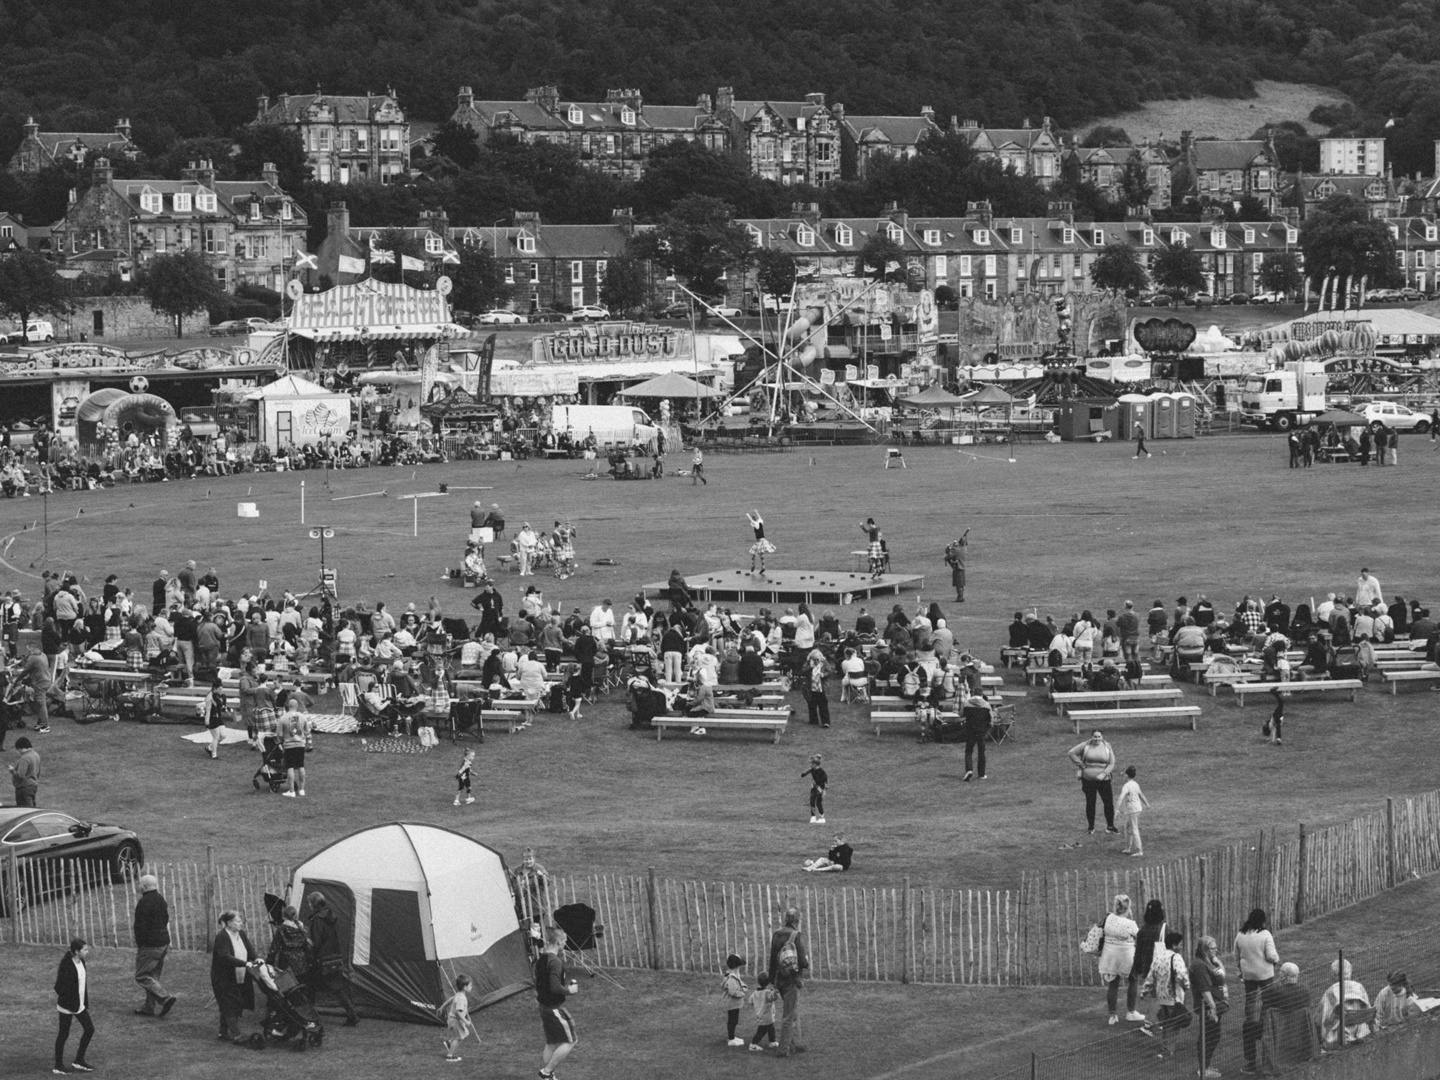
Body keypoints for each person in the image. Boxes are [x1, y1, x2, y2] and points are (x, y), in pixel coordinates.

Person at [1235, 907, 1281, 1073]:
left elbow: (1237, 954)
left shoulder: (1241, 934)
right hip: (1264, 973)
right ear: (1262, 920)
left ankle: (1250, 1019)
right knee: (1267, 999)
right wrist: (1276, 960)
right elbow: (1271, 955)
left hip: (1249, 974)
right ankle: (1265, 1019)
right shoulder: (1265, 934)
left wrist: (1240, 969)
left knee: (1251, 999)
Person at [304, 893, 358, 1026]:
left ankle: (309, 1017)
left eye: (310, 903)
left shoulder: (317, 920)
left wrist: (306, 939)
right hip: (334, 957)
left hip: (322, 960)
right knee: (337, 988)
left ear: (314, 904)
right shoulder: (330, 916)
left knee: (310, 986)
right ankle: (352, 1015)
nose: (309, 906)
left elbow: (316, 942)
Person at [534, 925, 578, 1080]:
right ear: (558, 942)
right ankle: (546, 1072)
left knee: (552, 1043)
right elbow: (554, 987)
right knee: (571, 1040)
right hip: (553, 1008)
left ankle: (549, 1075)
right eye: (564, 941)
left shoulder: (541, 960)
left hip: (543, 1006)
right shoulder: (555, 962)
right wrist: (569, 991)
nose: (565, 944)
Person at [1259, 961, 1318, 1071]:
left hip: (1278, 1031)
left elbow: (1265, 1014)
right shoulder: (1305, 991)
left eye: (1280, 972)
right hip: (1299, 1032)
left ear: (1283, 976)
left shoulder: (1272, 991)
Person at [132, 875, 177, 1019]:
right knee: (153, 977)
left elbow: (140, 927)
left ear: (144, 886)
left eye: (140, 884)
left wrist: (141, 944)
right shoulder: (161, 899)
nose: (138, 886)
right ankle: (148, 1007)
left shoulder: (144, 902)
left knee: (142, 976)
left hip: (150, 945)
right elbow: (165, 919)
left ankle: (165, 998)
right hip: (163, 942)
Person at [210, 910, 258, 1043]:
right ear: (229, 923)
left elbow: (250, 950)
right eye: (237, 921)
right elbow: (225, 957)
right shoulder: (222, 937)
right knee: (229, 1004)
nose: (241, 923)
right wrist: (244, 963)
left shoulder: (241, 934)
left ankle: (223, 1032)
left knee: (234, 1003)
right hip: (224, 977)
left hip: (240, 975)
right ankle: (237, 1035)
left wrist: (256, 959)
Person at [767, 907, 809, 1057]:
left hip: (779, 979)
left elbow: (772, 959)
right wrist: (807, 961)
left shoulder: (776, 934)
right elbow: (803, 962)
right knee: (789, 1015)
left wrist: (772, 981)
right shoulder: (796, 935)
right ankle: (783, 1049)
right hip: (791, 980)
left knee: (793, 1012)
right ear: (797, 921)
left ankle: (795, 1044)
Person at [1141, 929, 1189, 1060]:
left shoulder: (1158, 957)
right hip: (1174, 996)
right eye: (1179, 944)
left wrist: (1144, 991)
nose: (1181, 946)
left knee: (1166, 1022)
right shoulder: (1176, 957)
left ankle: (1165, 1048)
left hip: (1161, 996)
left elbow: (1150, 977)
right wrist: (1186, 986)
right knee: (1175, 1023)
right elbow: (1181, 975)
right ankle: (1168, 1050)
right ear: (1174, 945)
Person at [54, 937, 97, 1074]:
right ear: (77, 951)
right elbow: (59, 987)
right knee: (63, 1034)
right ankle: (58, 1066)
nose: (87, 952)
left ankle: (79, 1060)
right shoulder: (66, 964)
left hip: (79, 1005)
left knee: (89, 1029)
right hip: (67, 1006)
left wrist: (82, 1002)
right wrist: (69, 1000)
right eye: (85, 950)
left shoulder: (82, 961)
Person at [1096, 893, 1140, 1025]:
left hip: (1110, 956)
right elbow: (1139, 937)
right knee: (1133, 980)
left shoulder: (1108, 918)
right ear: (1128, 908)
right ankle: (1131, 1012)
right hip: (1127, 956)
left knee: (1113, 984)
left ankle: (1112, 1015)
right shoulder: (1130, 924)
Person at [1190, 935, 1229, 1078]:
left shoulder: (1209, 962)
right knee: (1208, 1037)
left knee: (1214, 1035)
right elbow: (1204, 989)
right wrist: (1212, 1008)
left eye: (1216, 947)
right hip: (1206, 1007)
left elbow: (1222, 976)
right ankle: (1203, 1069)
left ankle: (1206, 1066)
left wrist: (1217, 961)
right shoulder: (1199, 965)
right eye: (1213, 948)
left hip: (1217, 1004)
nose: (1216, 950)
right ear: (1204, 949)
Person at [1067, 730, 1118, 834]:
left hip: (1104, 781)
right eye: (1095, 736)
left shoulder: (1107, 746)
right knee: (1090, 803)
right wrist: (1080, 764)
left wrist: (1104, 774)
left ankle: (1110, 826)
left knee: (1108, 803)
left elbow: (1112, 763)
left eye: (1099, 736)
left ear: (1102, 737)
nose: (1097, 738)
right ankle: (1091, 827)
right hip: (1088, 780)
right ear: (1091, 737)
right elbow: (1071, 753)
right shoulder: (1085, 745)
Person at [1318, 957, 1372, 1048]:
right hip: (1361, 1031)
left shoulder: (1331, 992)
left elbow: (1323, 1017)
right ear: (1349, 972)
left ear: (1335, 975)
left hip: (1339, 1035)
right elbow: (1368, 1010)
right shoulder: (1359, 987)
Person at [439, 973, 477, 1062]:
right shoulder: (461, 998)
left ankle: (449, 1043)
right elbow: (458, 1013)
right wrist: (466, 1021)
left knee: (462, 1034)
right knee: (459, 1037)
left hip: (452, 1020)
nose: (471, 987)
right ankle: (449, 1056)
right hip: (455, 1020)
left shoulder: (458, 994)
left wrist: (442, 1007)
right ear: (465, 987)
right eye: (470, 985)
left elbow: (450, 1000)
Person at [1117, 765, 1151, 857]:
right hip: (1137, 809)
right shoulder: (1135, 784)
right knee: (1127, 827)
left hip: (1133, 810)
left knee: (1134, 829)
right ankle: (1128, 848)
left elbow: (1121, 797)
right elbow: (1141, 795)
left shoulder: (1126, 786)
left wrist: (1116, 809)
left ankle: (1139, 851)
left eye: (1124, 774)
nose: (1123, 776)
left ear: (1127, 775)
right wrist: (1147, 804)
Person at [512, 847, 550, 924]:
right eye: (526, 859)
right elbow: (513, 884)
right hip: (521, 908)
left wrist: (542, 876)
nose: (528, 861)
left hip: (536, 909)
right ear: (523, 860)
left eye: (530, 859)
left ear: (534, 859)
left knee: (536, 932)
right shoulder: (518, 870)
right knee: (524, 932)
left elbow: (547, 882)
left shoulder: (539, 869)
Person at [961, 697, 991, 781]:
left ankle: (969, 770)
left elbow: (961, 714)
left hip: (970, 730)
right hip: (981, 731)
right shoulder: (987, 705)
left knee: (969, 751)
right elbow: (990, 720)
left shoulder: (967, 704)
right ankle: (981, 774)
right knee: (981, 752)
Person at [720, 953, 748, 1046]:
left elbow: (739, 983)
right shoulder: (732, 978)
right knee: (732, 1021)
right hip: (732, 1004)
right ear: (736, 966)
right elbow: (733, 991)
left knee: (734, 1020)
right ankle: (731, 1039)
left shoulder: (731, 975)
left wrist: (743, 987)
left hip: (733, 1004)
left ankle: (732, 1037)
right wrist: (742, 993)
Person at [747, 972, 779, 1051]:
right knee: (762, 1031)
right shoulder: (767, 992)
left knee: (771, 1028)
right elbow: (773, 998)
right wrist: (775, 990)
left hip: (761, 1015)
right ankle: (753, 1044)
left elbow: (750, 1001)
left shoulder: (755, 993)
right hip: (767, 1015)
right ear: (768, 982)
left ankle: (772, 1041)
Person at [803, 650, 830, 729]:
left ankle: (825, 722)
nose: (816, 661)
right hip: (811, 687)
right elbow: (803, 671)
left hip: (821, 687)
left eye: (817, 659)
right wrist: (810, 667)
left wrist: (824, 674)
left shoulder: (824, 662)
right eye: (814, 659)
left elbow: (830, 671)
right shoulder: (808, 663)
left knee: (823, 705)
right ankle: (813, 720)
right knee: (811, 704)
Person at [10, 736, 41, 806]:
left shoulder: (25, 758)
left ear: (21, 748)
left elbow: (20, 775)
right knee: (32, 807)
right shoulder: (36, 755)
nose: (18, 752)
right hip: (33, 785)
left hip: (24, 788)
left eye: (18, 749)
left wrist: (12, 771)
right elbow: (38, 771)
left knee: (25, 810)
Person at [746, 510, 775, 576]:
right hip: (762, 540)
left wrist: (748, 515)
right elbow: (760, 518)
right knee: (758, 553)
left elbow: (752, 521)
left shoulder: (756, 524)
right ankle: (760, 566)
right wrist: (757, 512)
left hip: (760, 541)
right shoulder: (760, 522)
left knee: (754, 553)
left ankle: (754, 566)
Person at [801, 754, 827, 825]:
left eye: (812, 764)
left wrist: (824, 791)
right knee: (812, 801)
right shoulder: (812, 769)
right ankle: (813, 817)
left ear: (815, 764)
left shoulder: (822, 772)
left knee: (818, 802)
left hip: (820, 788)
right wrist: (804, 773)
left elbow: (825, 782)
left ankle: (822, 818)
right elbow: (805, 773)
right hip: (814, 787)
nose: (811, 765)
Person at [945, 530, 969, 602]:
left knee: (959, 584)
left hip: (958, 568)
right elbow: (963, 539)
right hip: (962, 568)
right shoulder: (964, 548)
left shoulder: (956, 550)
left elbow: (948, 556)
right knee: (961, 584)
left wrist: (948, 549)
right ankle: (961, 596)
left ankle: (960, 598)